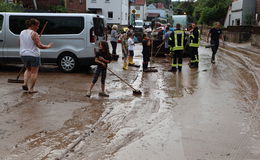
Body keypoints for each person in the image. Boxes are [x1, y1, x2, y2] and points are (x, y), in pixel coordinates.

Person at [20, 18, 53, 93]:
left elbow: (23, 42)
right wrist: (48, 46)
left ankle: (25, 83)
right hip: (33, 55)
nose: (38, 28)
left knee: (28, 69)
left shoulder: (22, 32)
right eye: (37, 26)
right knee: (34, 72)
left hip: (23, 54)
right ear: (32, 25)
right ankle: (31, 89)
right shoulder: (34, 34)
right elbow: (40, 46)